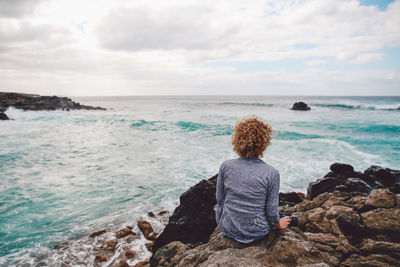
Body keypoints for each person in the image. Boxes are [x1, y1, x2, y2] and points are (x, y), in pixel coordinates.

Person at [214, 116, 290, 243]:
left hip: (228, 228)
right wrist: (278, 224)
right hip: (257, 232)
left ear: (237, 140)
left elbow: (220, 199)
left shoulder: (226, 166)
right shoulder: (272, 173)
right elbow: (271, 212)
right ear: (264, 143)